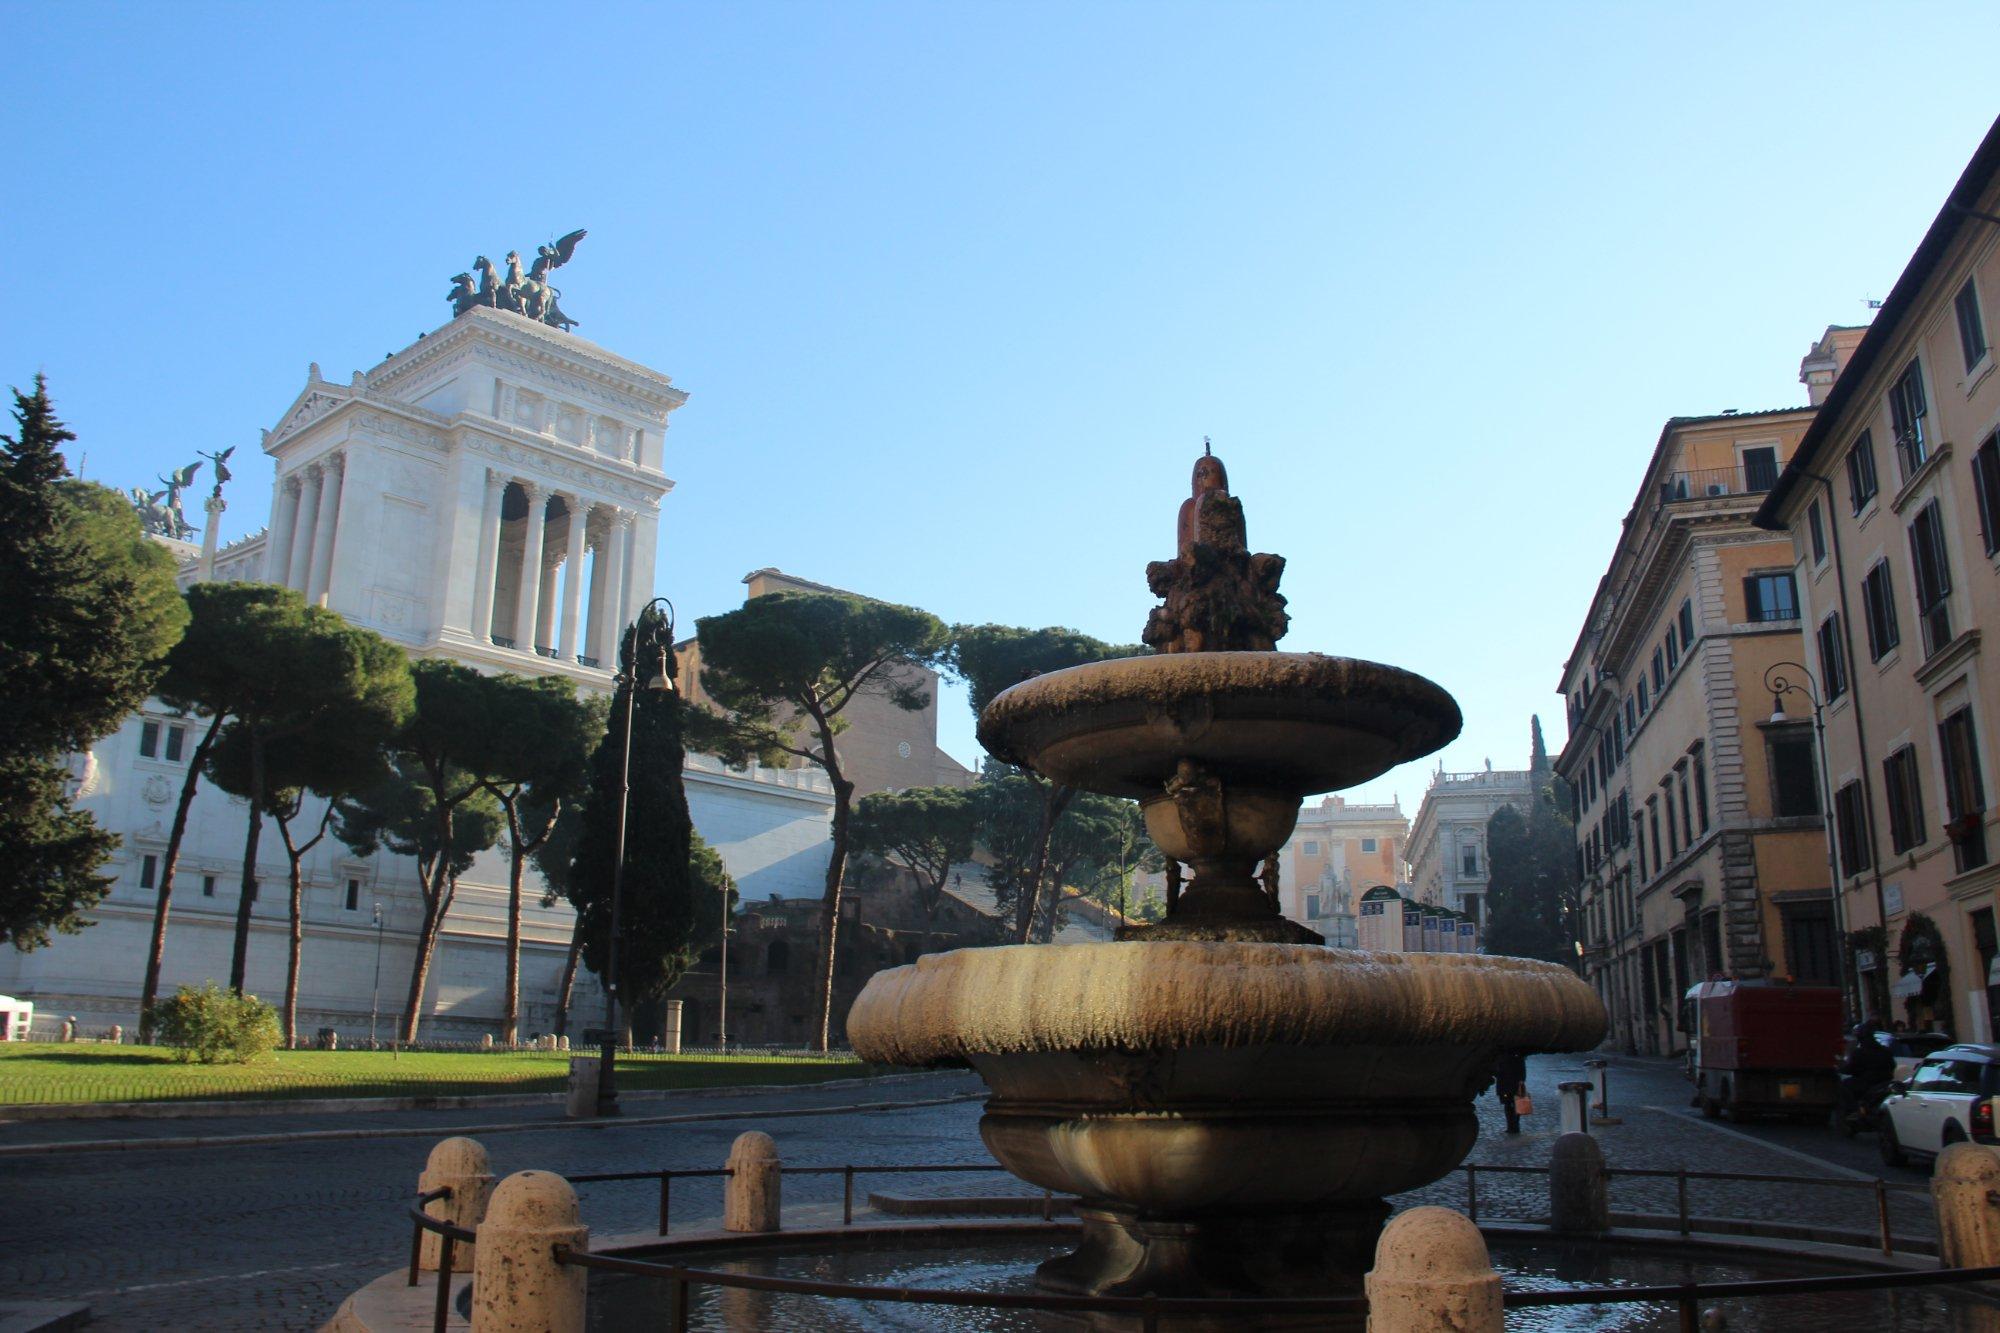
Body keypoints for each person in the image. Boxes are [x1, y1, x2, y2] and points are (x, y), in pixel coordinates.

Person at [1838, 1017, 1895, 1121]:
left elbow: (1850, 1069)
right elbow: (1893, 1065)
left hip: (1867, 1083)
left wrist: (1841, 1068)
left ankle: (1853, 1110)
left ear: (1860, 1037)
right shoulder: (1885, 1051)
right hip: (1884, 1082)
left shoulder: (1859, 1052)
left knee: (1844, 1086)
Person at [1492, 1048, 1528, 1135]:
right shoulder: (1518, 1056)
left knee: (1510, 1105)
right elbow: (1522, 1072)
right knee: (1514, 1105)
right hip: (1511, 1084)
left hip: (1507, 1085)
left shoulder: (1502, 1056)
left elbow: (1496, 1071)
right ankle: (1513, 1125)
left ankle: (1512, 1125)